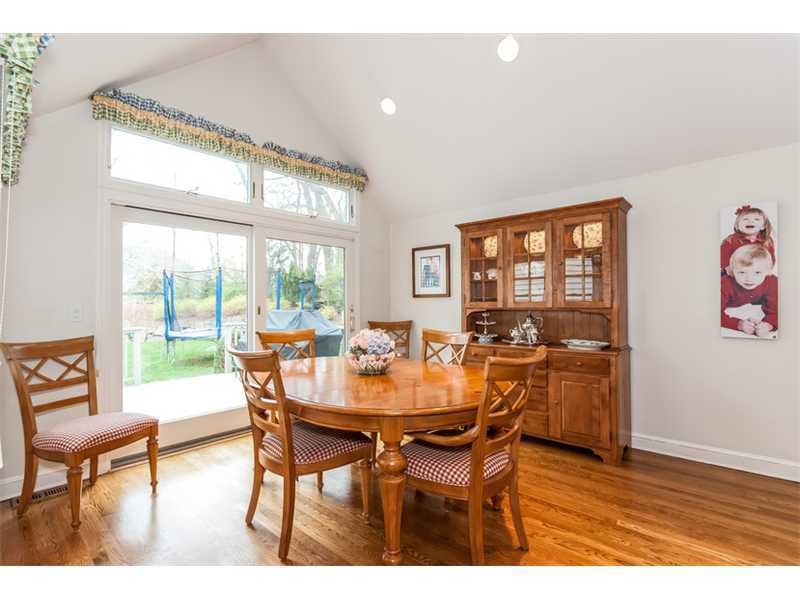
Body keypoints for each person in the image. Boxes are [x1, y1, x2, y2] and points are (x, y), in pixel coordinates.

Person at [721, 244, 778, 337]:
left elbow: (778, 310)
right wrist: (738, 324)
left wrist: (768, 325)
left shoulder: (772, 281)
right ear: (732, 271)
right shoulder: (725, 284)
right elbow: (714, 313)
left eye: (757, 272)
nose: (749, 278)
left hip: (754, 298)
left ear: (768, 272)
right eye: (742, 272)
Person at [720, 205, 775, 276]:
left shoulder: (767, 241)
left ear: (763, 226)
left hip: (756, 273)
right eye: (745, 219)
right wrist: (727, 268)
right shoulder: (731, 240)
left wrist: (766, 270)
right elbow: (722, 256)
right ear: (737, 226)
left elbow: (770, 259)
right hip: (734, 273)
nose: (750, 221)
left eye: (756, 219)